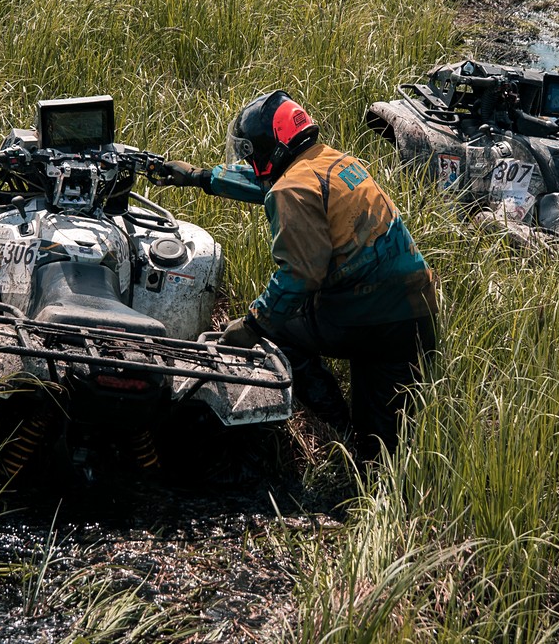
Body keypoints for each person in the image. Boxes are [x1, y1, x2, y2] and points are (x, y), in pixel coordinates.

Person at [152, 90, 438, 460]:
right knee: (384, 448)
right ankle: (372, 470)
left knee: (282, 332)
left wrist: (253, 325)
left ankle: (334, 426)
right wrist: (202, 178)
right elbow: (269, 185)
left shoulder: (292, 189)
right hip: (413, 311)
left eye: (252, 150)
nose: (249, 158)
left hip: (370, 315)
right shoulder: (332, 161)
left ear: (272, 146)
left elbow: (301, 275)